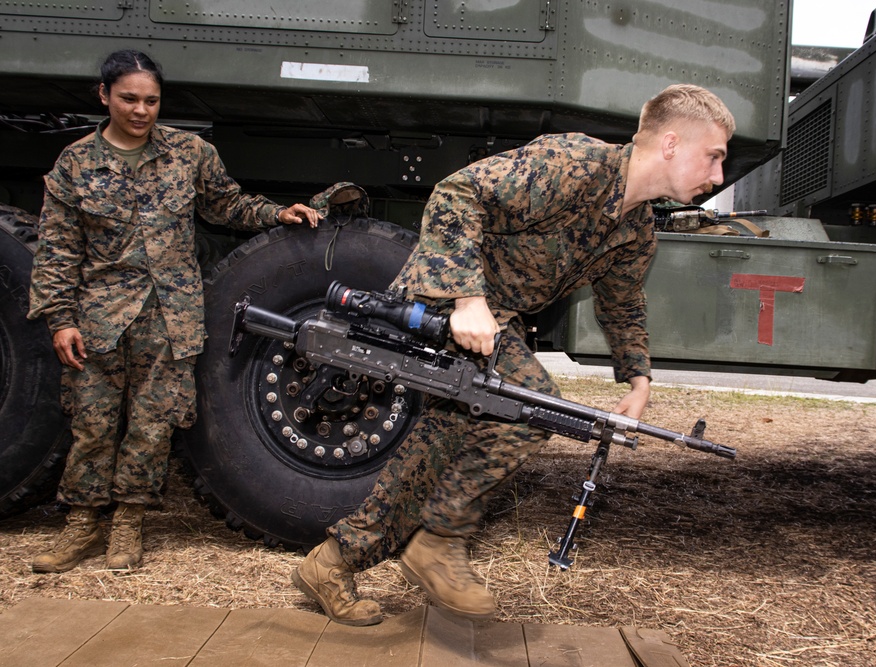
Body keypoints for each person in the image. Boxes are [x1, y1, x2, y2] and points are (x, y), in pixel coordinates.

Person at [291, 84, 734, 626]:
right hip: (445, 303)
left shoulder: (636, 229)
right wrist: (467, 299)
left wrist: (638, 382)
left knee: (434, 455)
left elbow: (623, 303)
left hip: (493, 326)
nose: (717, 177)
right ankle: (439, 543)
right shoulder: (575, 163)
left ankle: (330, 564)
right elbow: (457, 193)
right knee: (530, 407)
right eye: (713, 157)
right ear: (670, 143)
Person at [27, 49, 319, 573]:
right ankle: (80, 526)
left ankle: (128, 525)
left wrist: (277, 212)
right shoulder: (75, 163)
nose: (141, 110)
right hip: (100, 319)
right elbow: (57, 250)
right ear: (104, 96)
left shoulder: (190, 153)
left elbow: (225, 205)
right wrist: (61, 319)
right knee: (92, 424)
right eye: (129, 99)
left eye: (151, 100)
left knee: (152, 423)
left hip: (170, 318)